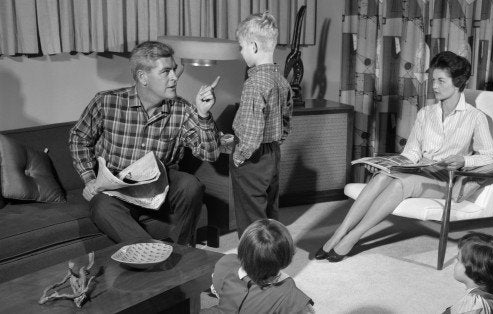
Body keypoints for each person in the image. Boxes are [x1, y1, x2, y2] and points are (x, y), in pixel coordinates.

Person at [316, 51, 493, 262]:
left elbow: (492, 159)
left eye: (441, 81)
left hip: (445, 180)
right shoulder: (426, 113)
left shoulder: (475, 118)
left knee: (401, 184)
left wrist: (464, 160)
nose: (435, 86)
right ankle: (340, 232)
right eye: (433, 80)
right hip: (421, 171)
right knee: (383, 177)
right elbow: (411, 153)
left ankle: (354, 237)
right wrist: (387, 165)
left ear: (457, 82)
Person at [68, 40, 222, 246]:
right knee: (101, 206)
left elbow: (210, 154)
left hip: (160, 185)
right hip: (116, 188)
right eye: (166, 71)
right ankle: (151, 253)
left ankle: (183, 250)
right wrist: (89, 179)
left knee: (190, 186)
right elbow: (78, 138)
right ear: (143, 77)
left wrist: (203, 115)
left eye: (174, 70)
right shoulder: (106, 102)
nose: (175, 77)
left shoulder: (182, 109)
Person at [230, 11, 293, 237]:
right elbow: (286, 119)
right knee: (269, 214)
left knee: (251, 217)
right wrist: (275, 142)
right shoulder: (281, 79)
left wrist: (239, 155)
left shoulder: (254, 83)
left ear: (254, 46)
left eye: (242, 47)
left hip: (253, 159)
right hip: (272, 153)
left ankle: (254, 266)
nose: (241, 52)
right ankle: (272, 260)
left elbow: (251, 129)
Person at [208, 219, 314, 313]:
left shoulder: (226, 263)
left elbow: (218, 292)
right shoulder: (291, 296)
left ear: (242, 249)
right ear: (286, 256)